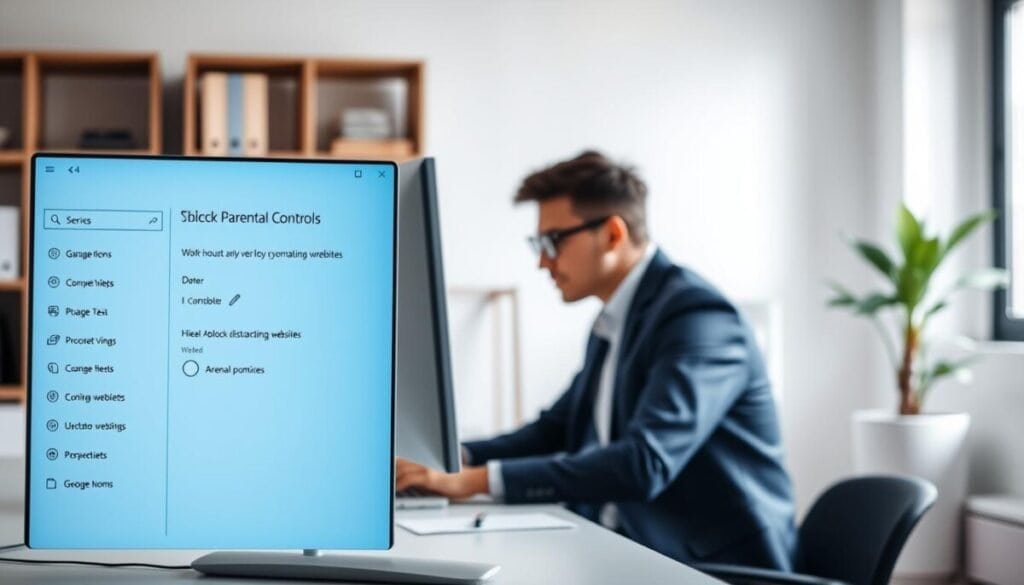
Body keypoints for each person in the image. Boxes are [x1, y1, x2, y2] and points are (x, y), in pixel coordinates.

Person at [396, 151, 796, 568]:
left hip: (713, 566)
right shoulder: (615, 320)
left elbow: (645, 463)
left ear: (611, 234)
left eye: (552, 241)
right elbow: (556, 430)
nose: (542, 261)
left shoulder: (697, 318)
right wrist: (450, 458)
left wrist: (473, 481)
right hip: (626, 547)